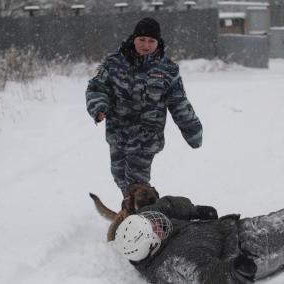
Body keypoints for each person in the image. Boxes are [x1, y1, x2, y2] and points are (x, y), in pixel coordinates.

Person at [114, 195, 284, 283]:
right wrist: (236, 273)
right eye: (156, 230)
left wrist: (193, 210)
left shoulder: (146, 226)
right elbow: (211, 279)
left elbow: (166, 207)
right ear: (152, 247)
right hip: (247, 250)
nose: (159, 224)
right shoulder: (174, 264)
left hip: (234, 228)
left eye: (152, 221)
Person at [85, 18, 203, 195]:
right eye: (142, 40)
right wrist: (99, 107)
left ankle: (143, 216)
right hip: (118, 132)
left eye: (151, 41)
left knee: (136, 182)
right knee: (120, 177)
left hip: (147, 136)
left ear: (158, 42)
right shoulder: (113, 63)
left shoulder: (167, 69)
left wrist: (192, 131)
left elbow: (179, 102)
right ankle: (134, 212)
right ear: (134, 39)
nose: (146, 45)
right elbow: (97, 88)